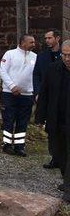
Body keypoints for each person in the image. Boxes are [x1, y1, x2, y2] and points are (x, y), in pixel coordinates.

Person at [35, 40, 70, 203]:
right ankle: (66, 179)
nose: (67, 58)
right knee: (58, 152)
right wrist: (40, 118)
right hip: (57, 119)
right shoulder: (53, 69)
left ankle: (69, 188)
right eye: (64, 54)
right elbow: (44, 95)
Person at [0, 34, 37, 156]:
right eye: (31, 42)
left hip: (27, 95)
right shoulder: (10, 54)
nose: (34, 44)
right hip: (9, 93)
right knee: (8, 119)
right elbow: (3, 71)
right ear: (23, 43)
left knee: (23, 121)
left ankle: (19, 146)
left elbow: (37, 75)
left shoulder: (35, 57)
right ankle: (6, 144)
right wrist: (12, 86)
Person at [33, 29, 62, 169]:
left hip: (62, 97)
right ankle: (54, 158)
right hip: (47, 98)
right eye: (46, 38)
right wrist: (38, 92)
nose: (47, 41)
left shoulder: (65, 55)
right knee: (51, 128)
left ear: (57, 38)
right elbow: (36, 75)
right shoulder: (42, 57)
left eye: (50, 38)